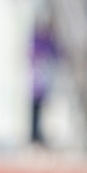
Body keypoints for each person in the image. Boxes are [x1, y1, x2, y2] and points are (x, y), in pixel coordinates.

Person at [29, 18, 61, 147]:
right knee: (35, 108)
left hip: (45, 79)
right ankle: (34, 135)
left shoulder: (48, 42)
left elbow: (57, 55)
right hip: (37, 79)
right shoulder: (38, 42)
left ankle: (40, 133)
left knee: (43, 108)